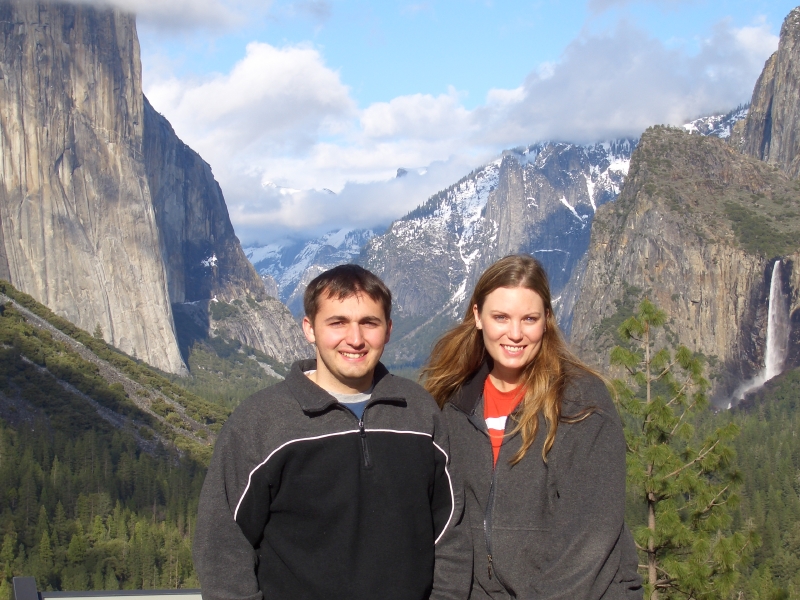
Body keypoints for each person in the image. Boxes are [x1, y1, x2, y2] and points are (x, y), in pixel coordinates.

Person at [193, 264, 456, 600]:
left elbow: (451, 529)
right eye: (338, 323)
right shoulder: (260, 421)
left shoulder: (418, 411)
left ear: (388, 330)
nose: (356, 339)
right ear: (309, 329)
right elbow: (221, 542)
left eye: (369, 323)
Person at [423, 255, 643, 599]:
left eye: (529, 319)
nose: (515, 333)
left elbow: (590, 540)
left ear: (547, 321)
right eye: (501, 317)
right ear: (478, 317)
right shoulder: (453, 404)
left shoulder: (579, 403)